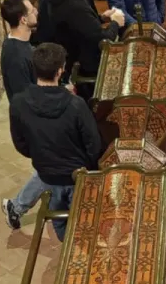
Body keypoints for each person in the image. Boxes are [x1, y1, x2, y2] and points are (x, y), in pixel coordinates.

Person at [9, 43, 103, 242]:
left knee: (59, 220)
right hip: (78, 174)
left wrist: (42, 155)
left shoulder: (18, 103)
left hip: (47, 174)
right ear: (60, 71)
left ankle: (66, 244)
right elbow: (93, 144)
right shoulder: (76, 105)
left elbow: (20, 143)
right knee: (85, 219)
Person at [0, 0, 46, 231]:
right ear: (23, 19)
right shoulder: (16, 56)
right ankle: (16, 207)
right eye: (31, 9)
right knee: (50, 170)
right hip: (33, 123)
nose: (36, 10)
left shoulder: (21, 45)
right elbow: (24, 98)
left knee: (50, 168)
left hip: (38, 119)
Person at [42, 0, 125, 96]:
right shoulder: (74, 5)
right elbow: (103, 39)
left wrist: (102, 18)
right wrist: (115, 23)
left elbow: (83, 25)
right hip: (82, 63)